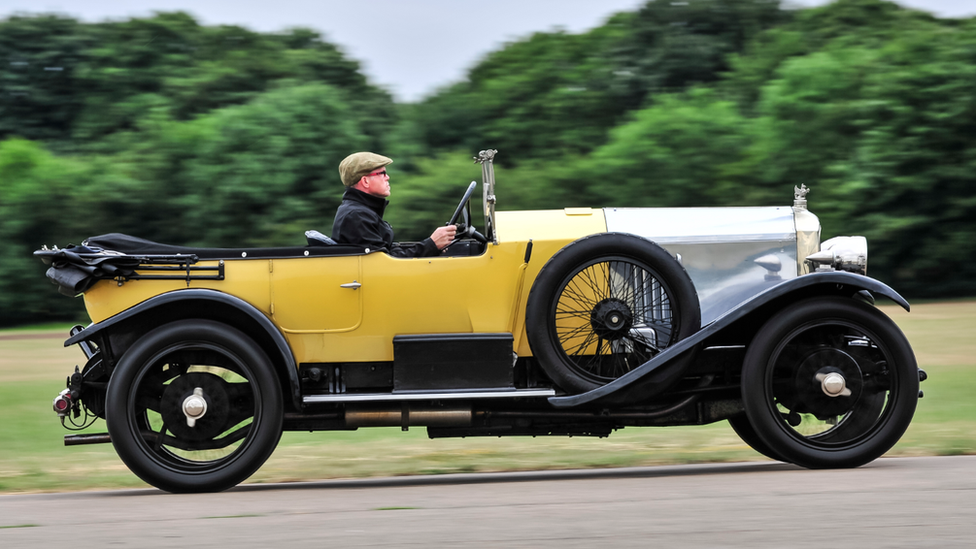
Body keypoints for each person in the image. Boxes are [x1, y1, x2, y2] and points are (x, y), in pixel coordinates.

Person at [332, 152, 456, 257]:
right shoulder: (357, 216)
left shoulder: (360, 212)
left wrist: (430, 245)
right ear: (365, 181)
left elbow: (387, 254)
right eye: (382, 173)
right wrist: (431, 244)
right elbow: (384, 264)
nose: (388, 177)